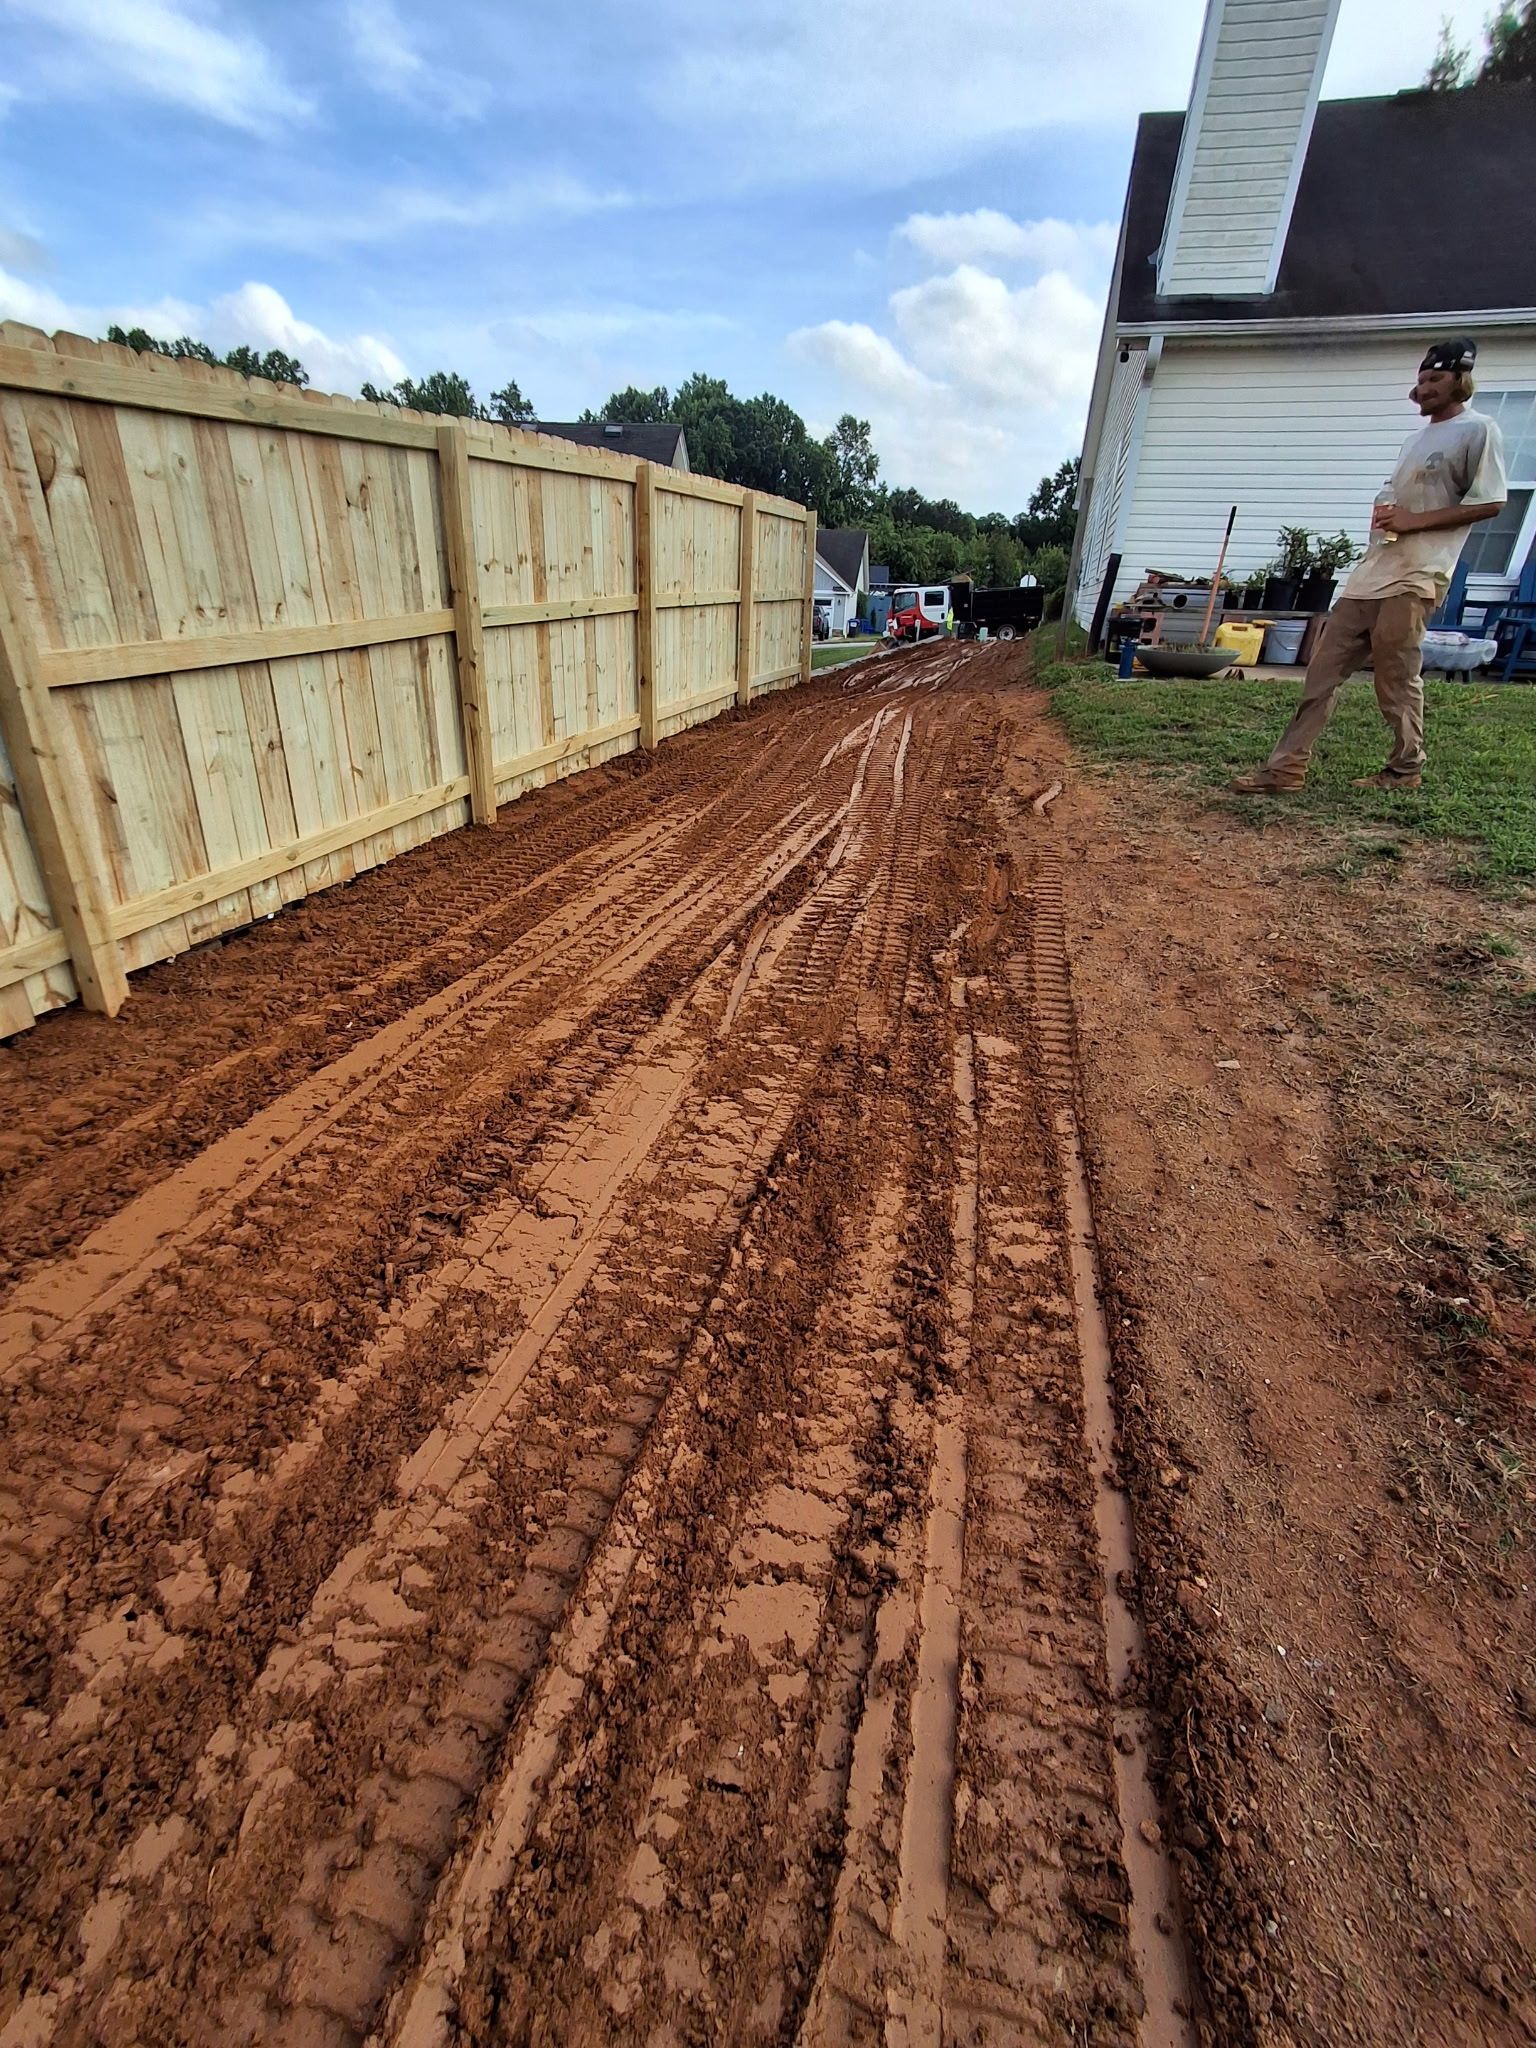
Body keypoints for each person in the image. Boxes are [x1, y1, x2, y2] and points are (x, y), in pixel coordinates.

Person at [1231, 340, 1507, 794]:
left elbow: (1493, 501)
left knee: (1395, 676)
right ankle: (1285, 769)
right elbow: (1395, 498)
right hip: (1372, 574)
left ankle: (1404, 769)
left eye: (1436, 379)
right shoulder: (1415, 440)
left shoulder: (1478, 430)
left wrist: (1414, 522)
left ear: (1460, 381)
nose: (1425, 387)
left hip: (1418, 575)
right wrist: (1385, 516)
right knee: (1320, 674)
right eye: (1421, 379)